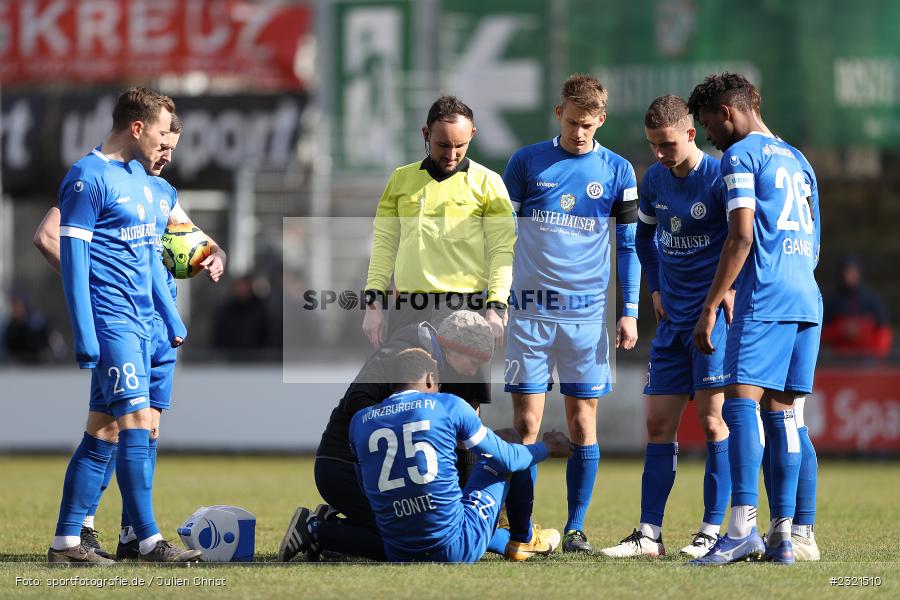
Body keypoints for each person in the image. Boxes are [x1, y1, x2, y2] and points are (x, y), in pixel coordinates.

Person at [34, 113, 228, 560]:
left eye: (173, 147)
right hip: (119, 322)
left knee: (126, 430)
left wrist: (215, 253)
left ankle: (109, 535)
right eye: (164, 143)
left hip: (157, 329)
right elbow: (50, 235)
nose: (167, 154)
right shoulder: (99, 178)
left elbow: (193, 243)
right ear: (141, 131)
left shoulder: (159, 192)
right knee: (127, 427)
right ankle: (128, 537)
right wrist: (96, 286)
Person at [279, 310, 551, 562]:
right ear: (451, 347)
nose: (474, 371)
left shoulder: (447, 370)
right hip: (340, 466)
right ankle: (318, 530)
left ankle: (333, 527)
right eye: (473, 361)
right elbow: (357, 400)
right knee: (414, 537)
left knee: (422, 530)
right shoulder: (402, 354)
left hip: (376, 466)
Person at [501, 73, 641, 557]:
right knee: (526, 426)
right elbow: (500, 239)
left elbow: (628, 247)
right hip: (529, 317)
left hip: (586, 320)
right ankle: (524, 525)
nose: (579, 132)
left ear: (601, 120)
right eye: (572, 121)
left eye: (589, 124)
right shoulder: (525, 163)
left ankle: (576, 528)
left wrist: (628, 311)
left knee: (583, 425)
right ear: (558, 112)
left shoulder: (619, 171)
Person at [687, 72, 821, 565]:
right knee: (785, 415)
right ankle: (785, 536)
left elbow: (741, 236)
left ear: (727, 113)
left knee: (740, 404)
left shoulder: (740, 157)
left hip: (763, 295)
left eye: (707, 124)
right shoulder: (799, 159)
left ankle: (742, 527)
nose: (707, 137)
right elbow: (814, 244)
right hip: (806, 296)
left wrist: (711, 305)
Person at [600, 95, 731, 559]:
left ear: (691, 133)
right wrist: (655, 289)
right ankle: (649, 533)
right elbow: (643, 239)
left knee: (714, 423)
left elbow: (745, 239)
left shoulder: (719, 176)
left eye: (668, 144)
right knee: (658, 424)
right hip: (672, 323)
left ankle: (713, 530)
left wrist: (728, 293)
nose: (660, 154)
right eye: (653, 145)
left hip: (711, 322)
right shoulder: (653, 180)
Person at [346, 348, 571, 563]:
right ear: (430, 379)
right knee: (510, 439)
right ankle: (524, 539)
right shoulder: (446, 404)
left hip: (397, 550)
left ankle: (505, 539)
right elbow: (509, 459)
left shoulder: (360, 421)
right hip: (455, 547)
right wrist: (547, 448)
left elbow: (366, 489)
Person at [362, 95, 516, 349]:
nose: (451, 154)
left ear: (473, 134)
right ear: (426, 134)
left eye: (460, 145)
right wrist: (373, 306)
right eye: (443, 145)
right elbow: (384, 244)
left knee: (462, 390)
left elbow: (502, 251)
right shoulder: (401, 180)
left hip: (467, 310)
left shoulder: (489, 183)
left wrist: (496, 307)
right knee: (409, 388)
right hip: (409, 309)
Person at [822, 255, 892, 360]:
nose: (850, 276)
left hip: (867, 360)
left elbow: (883, 332)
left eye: (853, 271)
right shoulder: (831, 300)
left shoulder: (872, 299)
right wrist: (841, 329)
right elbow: (821, 334)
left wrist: (876, 356)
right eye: (847, 272)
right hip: (837, 360)